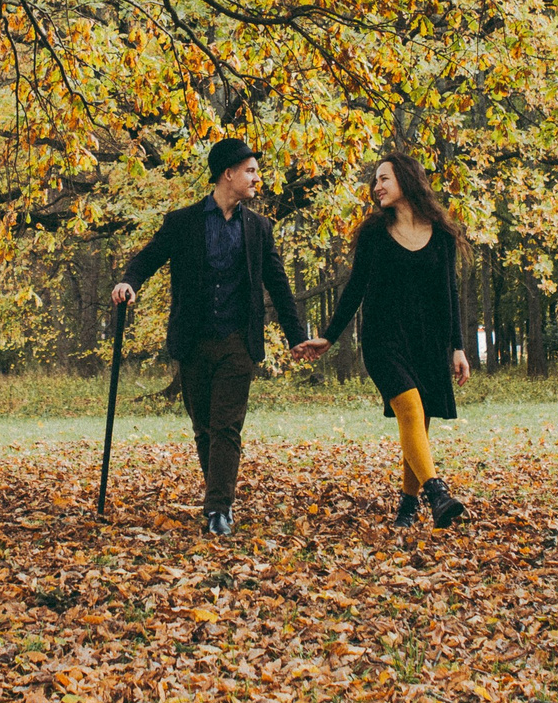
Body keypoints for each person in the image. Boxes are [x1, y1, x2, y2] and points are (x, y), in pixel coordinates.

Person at [113, 138, 319, 535]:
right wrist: (128, 281)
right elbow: (150, 256)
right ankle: (217, 495)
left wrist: (297, 337)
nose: (257, 178)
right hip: (192, 341)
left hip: (237, 342)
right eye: (251, 170)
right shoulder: (182, 222)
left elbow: (278, 285)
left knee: (227, 425)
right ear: (228, 173)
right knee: (204, 427)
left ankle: (218, 509)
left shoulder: (259, 228)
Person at [319, 153, 470, 528]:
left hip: (429, 339)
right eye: (375, 181)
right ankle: (437, 492)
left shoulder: (442, 234)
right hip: (383, 337)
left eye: (383, 179)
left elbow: (448, 293)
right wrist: (329, 337)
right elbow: (355, 288)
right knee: (410, 409)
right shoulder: (373, 233)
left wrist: (458, 346)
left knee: (417, 422)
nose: (377, 187)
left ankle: (409, 503)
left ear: (405, 179)